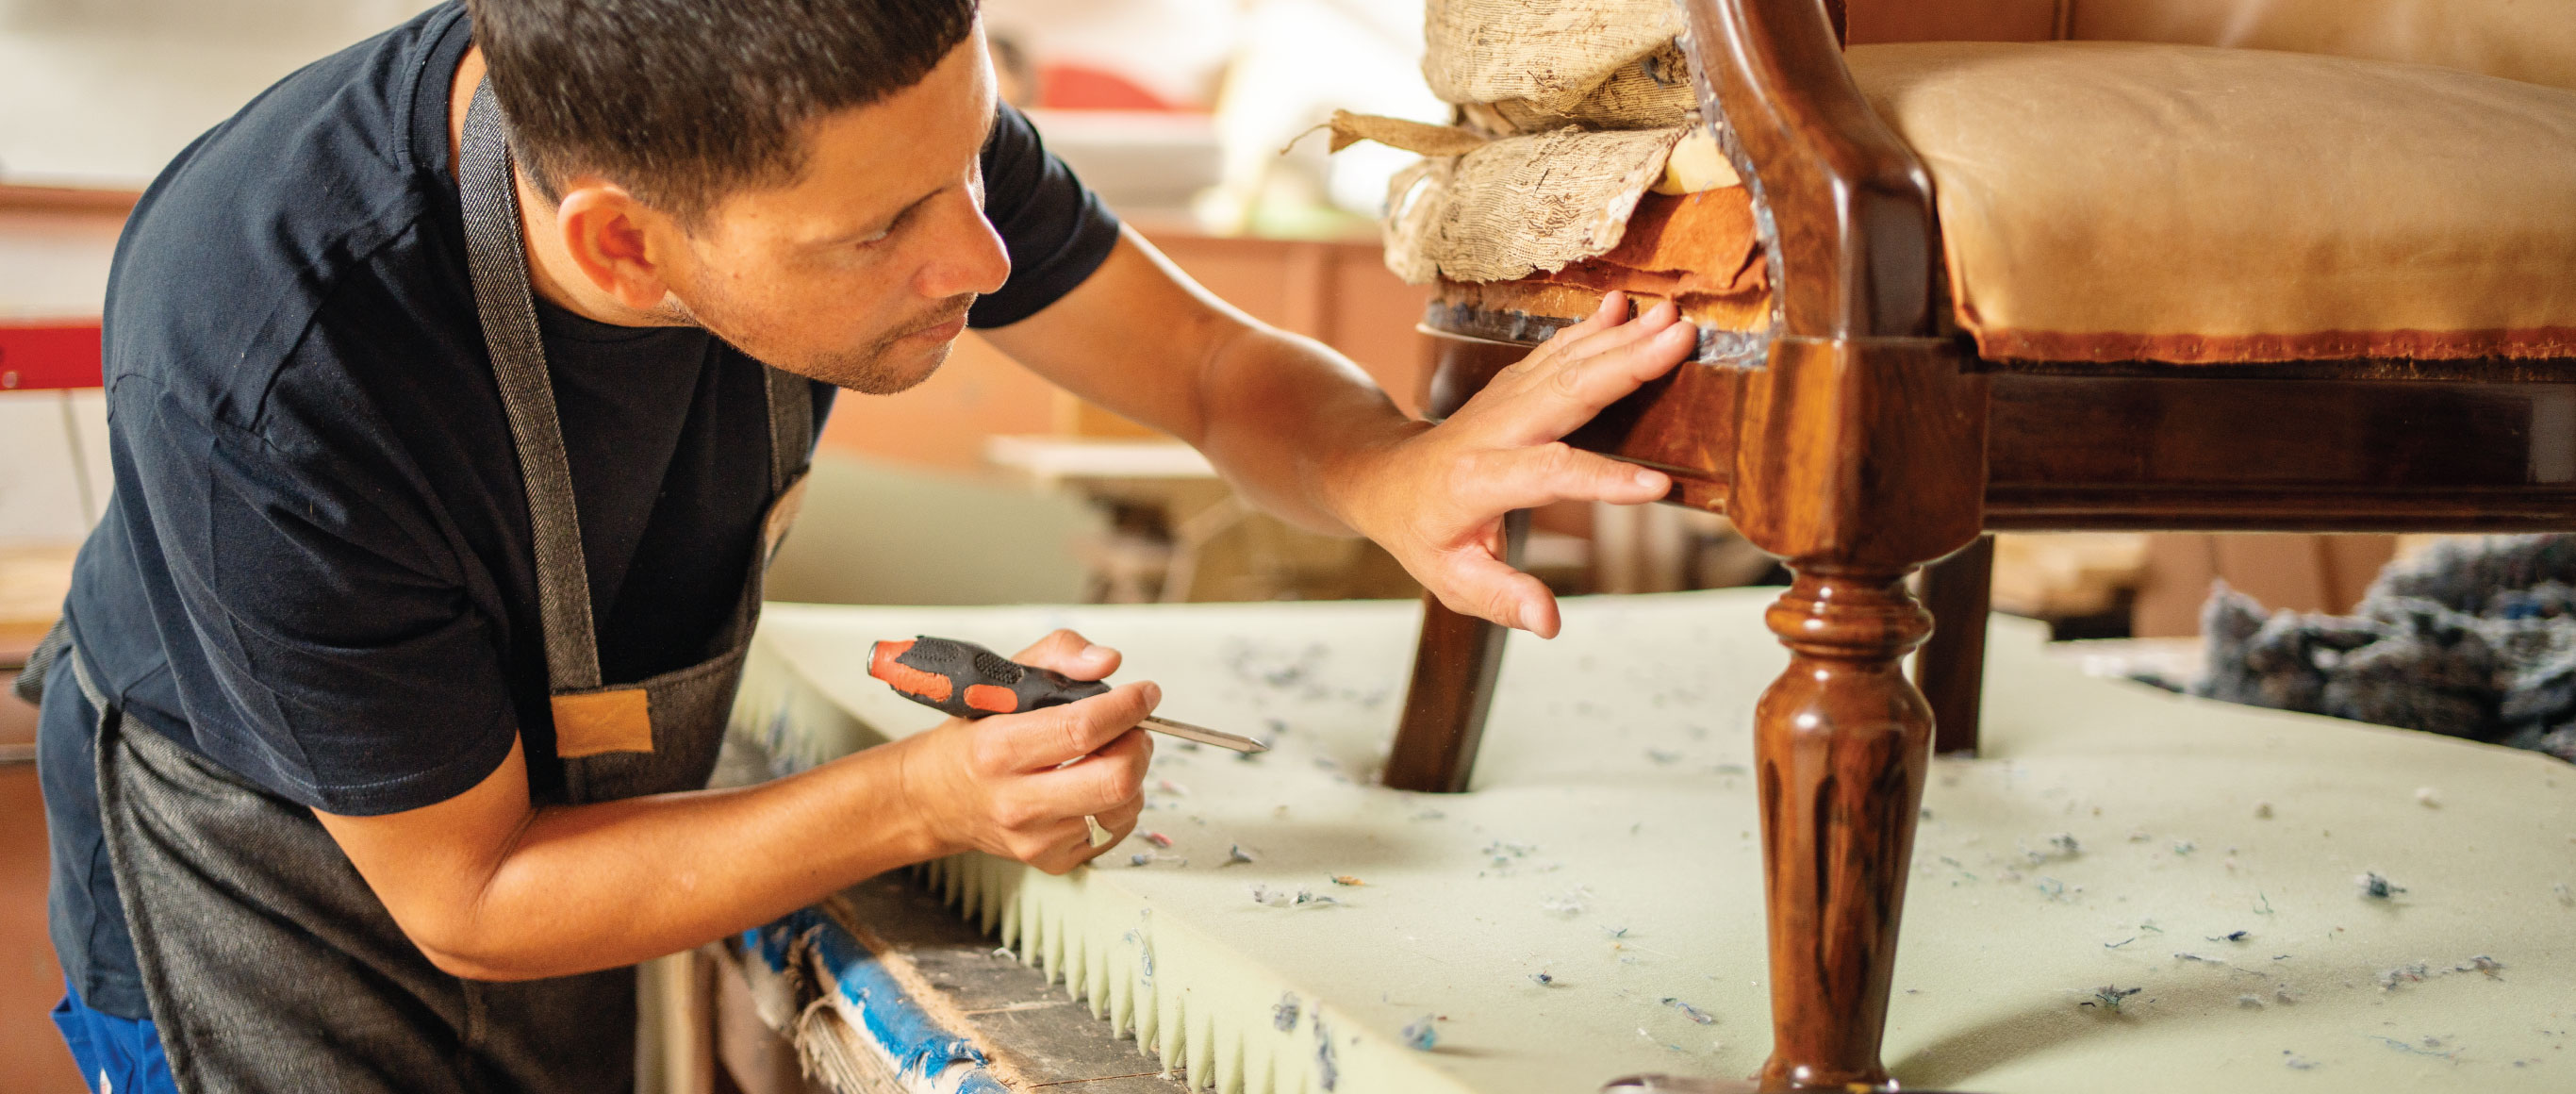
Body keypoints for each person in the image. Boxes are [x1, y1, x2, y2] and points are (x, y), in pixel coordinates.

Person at [31, 2, 1700, 1090]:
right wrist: (925, 798)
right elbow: (471, 893)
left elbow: (1203, 365)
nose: (980, 253)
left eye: (973, 167)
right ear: (622, 245)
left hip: (566, 818)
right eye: (888, 231)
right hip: (268, 872)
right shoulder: (278, 352)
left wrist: (1390, 468)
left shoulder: (861, 119)